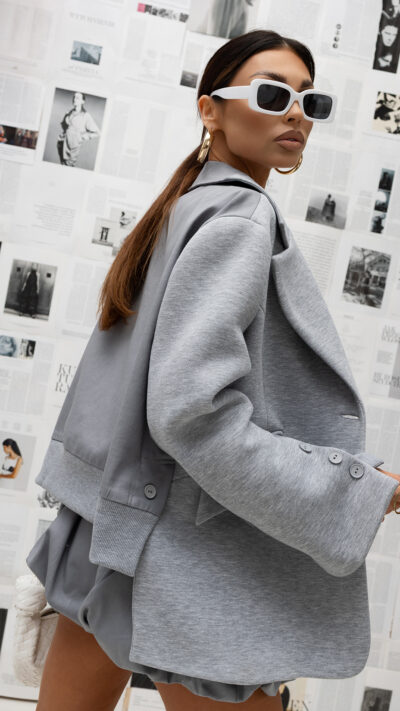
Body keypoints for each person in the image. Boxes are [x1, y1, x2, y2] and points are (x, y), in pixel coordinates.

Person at [25, 29, 400, 711]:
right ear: (210, 109)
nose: (296, 113)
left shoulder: (187, 204)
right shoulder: (240, 217)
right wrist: (351, 491)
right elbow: (190, 413)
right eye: (272, 94)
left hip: (109, 528)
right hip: (176, 553)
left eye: (309, 101)